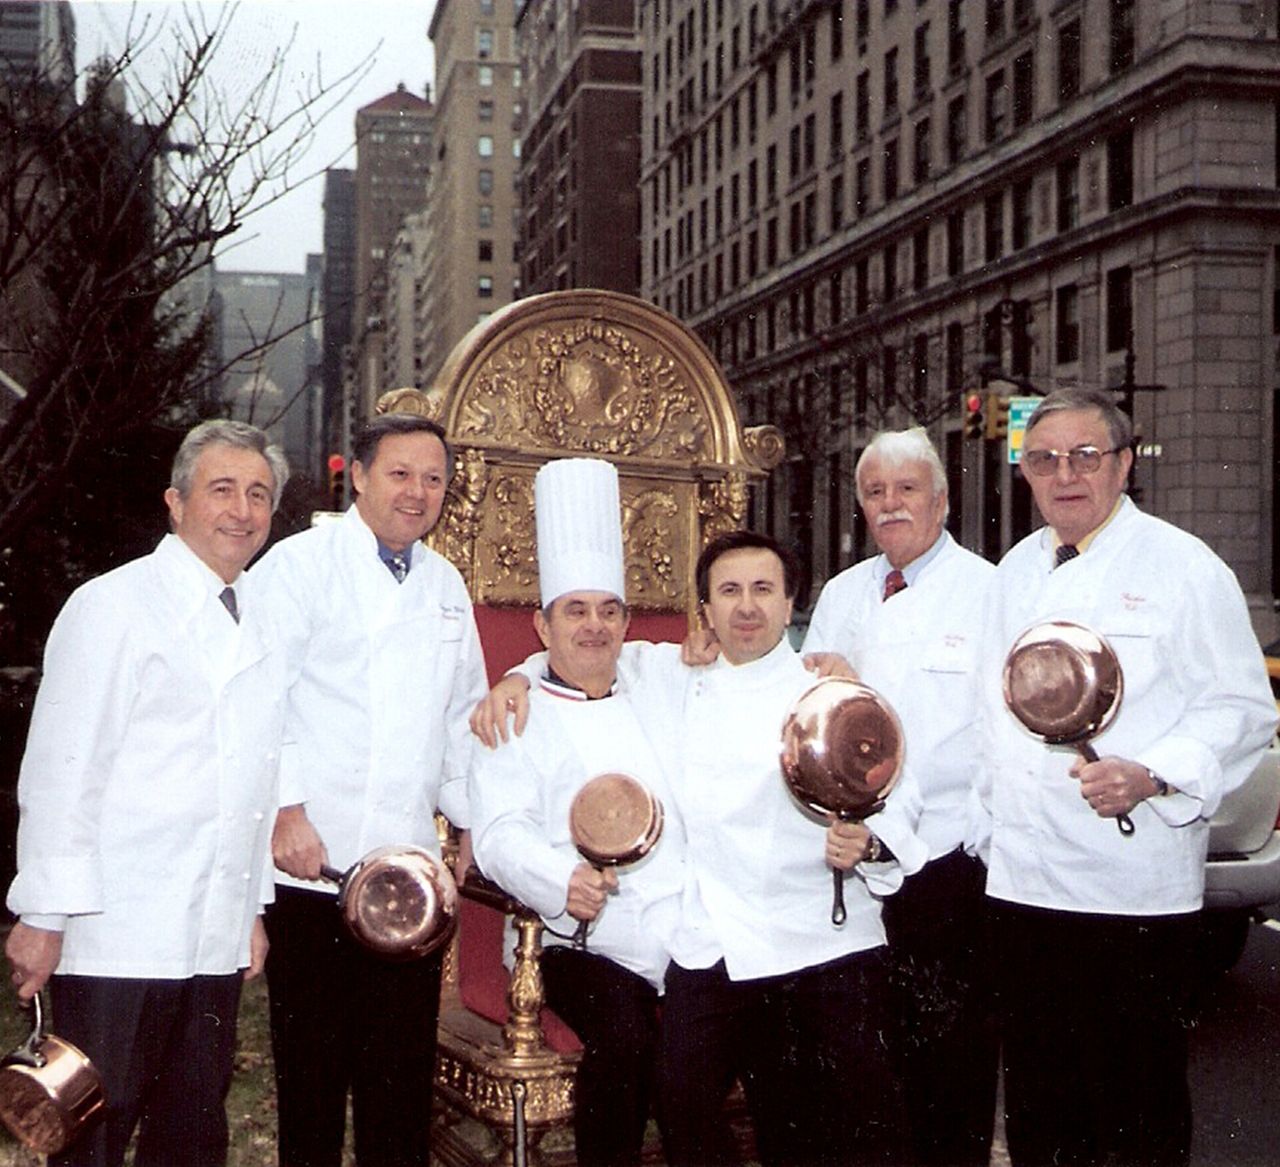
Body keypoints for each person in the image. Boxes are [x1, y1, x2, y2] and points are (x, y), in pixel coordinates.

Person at [476, 530, 926, 1167]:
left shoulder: (829, 693)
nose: (747, 606)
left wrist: (871, 843)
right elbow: (572, 665)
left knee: (837, 1123)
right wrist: (514, 679)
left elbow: (897, 788)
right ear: (706, 612)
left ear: (790, 603)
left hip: (824, 937)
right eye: (730, 591)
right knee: (683, 1103)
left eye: (764, 590)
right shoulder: (672, 676)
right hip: (715, 938)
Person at [979, 387, 1277, 1167]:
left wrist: (1153, 773)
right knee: (1041, 1109)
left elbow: (1243, 707)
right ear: (1025, 472)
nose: (1064, 475)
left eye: (1085, 456)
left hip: (1130, 888)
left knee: (1135, 1112)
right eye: (1044, 459)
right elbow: (988, 712)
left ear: (1123, 463)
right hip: (1022, 884)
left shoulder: (1185, 568)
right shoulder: (1013, 573)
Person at [5, 419, 289, 1167]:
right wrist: (43, 915)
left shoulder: (260, 616)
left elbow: (253, 776)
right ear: (176, 500)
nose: (242, 510)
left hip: (211, 932)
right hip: (117, 929)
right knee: (95, 1134)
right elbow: (63, 771)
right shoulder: (113, 606)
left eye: (258, 494)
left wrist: (250, 909)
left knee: (192, 1132)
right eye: (222, 489)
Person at [252, 413, 488, 1167]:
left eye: (434, 479)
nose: (417, 493)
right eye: (400, 474)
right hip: (312, 868)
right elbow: (262, 698)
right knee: (312, 1090)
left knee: (399, 1091)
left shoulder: (445, 584)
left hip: (406, 881)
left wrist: (468, 824)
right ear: (357, 476)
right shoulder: (298, 566)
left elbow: (462, 715)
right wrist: (287, 809)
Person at [469, 458, 686, 1167]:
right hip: (571, 938)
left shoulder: (653, 675)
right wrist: (562, 878)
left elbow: (739, 656)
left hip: (679, 922)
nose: (595, 626)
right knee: (625, 1039)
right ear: (542, 623)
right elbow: (497, 835)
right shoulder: (514, 714)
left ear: (626, 620)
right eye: (575, 610)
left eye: (608, 610)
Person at [801, 428, 998, 1166]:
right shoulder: (843, 593)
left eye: (907, 489)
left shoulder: (988, 591)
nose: (891, 504)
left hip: (946, 863)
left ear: (941, 501)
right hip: (851, 861)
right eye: (875, 491)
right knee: (862, 1067)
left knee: (951, 1069)